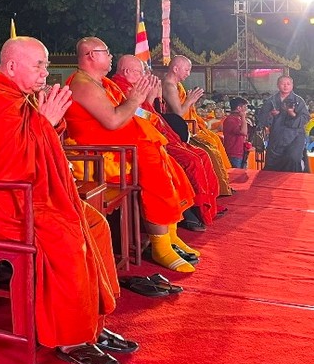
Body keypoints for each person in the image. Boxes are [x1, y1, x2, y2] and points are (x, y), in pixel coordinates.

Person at [0, 37, 134, 364]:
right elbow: (7, 165)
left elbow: (33, 149)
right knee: (64, 235)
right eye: (39, 65)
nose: (46, 71)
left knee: (94, 223)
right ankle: (71, 339)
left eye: (45, 64)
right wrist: (44, 123)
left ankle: (90, 320)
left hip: (21, 192)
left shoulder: (17, 96)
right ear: (12, 66)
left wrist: (49, 122)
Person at [65, 38, 198, 273]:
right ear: (90, 56)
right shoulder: (82, 84)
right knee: (154, 165)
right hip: (99, 154)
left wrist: (148, 110)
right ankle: (160, 245)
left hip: (125, 144)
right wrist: (136, 100)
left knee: (165, 159)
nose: (111, 56)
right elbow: (114, 119)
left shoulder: (104, 83)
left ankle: (170, 233)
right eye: (106, 52)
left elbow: (131, 110)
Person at [112, 55, 220, 229]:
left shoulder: (133, 88)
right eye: (141, 72)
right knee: (190, 160)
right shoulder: (120, 88)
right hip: (143, 142)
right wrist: (150, 101)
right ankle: (191, 211)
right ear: (127, 72)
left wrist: (150, 99)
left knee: (203, 154)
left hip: (160, 134)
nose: (145, 76)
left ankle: (207, 205)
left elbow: (146, 114)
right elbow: (138, 115)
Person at [161, 56, 233, 195]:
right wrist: (190, 100)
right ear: (176, 69)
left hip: (191, 125)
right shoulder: (169, 85)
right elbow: (179, 114)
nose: (188, 74)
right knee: (210, 148)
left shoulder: (178, 85)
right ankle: (217, 189)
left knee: (215, 139)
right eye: (187, 70)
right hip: (182, 130)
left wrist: (191, 102)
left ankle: (222, 184)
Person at [257, 75, 310, 173]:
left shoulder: (298, 101)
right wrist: (271, 115)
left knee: (293, 158)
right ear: (278, 85)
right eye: (283, 84)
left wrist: (292, 114)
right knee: (273, 162)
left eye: (288, 84)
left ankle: (292, 183)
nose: (285, 86)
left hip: (295, 135)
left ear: (292, 86)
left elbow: (305, 118)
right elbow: (262, 118)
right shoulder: (271, 101)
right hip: (277, 136)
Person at [222, 97, 251, 169]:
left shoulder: (237, 119)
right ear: (239, 108)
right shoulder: (230, 120)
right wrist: (243, 117)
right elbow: (243, 132)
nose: (246, 109)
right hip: (233, 153)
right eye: (245, 107)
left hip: (240, 152)